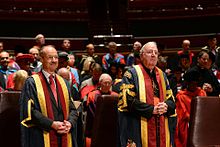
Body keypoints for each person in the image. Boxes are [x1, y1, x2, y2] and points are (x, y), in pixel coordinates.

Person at [118, 41, 176, 147]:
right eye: (150, 52)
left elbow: (171, 100)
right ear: (141, 55)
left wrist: (166, 106)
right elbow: (127, 101)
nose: (153, 54)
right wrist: (151, 109)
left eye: (156, 52)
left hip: (160, 126)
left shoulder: (162, 75)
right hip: (139, 126)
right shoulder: (131, 74)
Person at [20, 45, 78, 147]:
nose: (54, 60)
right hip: (42, 137)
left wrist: (70, 123)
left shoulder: (64, 83)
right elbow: (29, 111)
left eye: (56, 57)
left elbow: (73, 108)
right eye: (50, 57)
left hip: (64, 136)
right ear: (41, 59)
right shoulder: (32, 82)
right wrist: (51, 124)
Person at [85, 73, 118, 147]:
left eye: (109, 83)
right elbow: (92, 114)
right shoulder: (92, 95)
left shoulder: (115, 96)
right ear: (100, 83)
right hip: (96, 128)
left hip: (112, 128)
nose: (107, 85)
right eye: (105, 83)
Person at [175, 70, 206, 147]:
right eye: (192, 83)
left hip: (202, 122)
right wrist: (195, 120)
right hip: (188, 124)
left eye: (195, 83)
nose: (194, 86)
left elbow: (206, 109)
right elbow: (183, 113)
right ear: (187, 83)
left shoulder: (202, 93)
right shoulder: (181, 96)